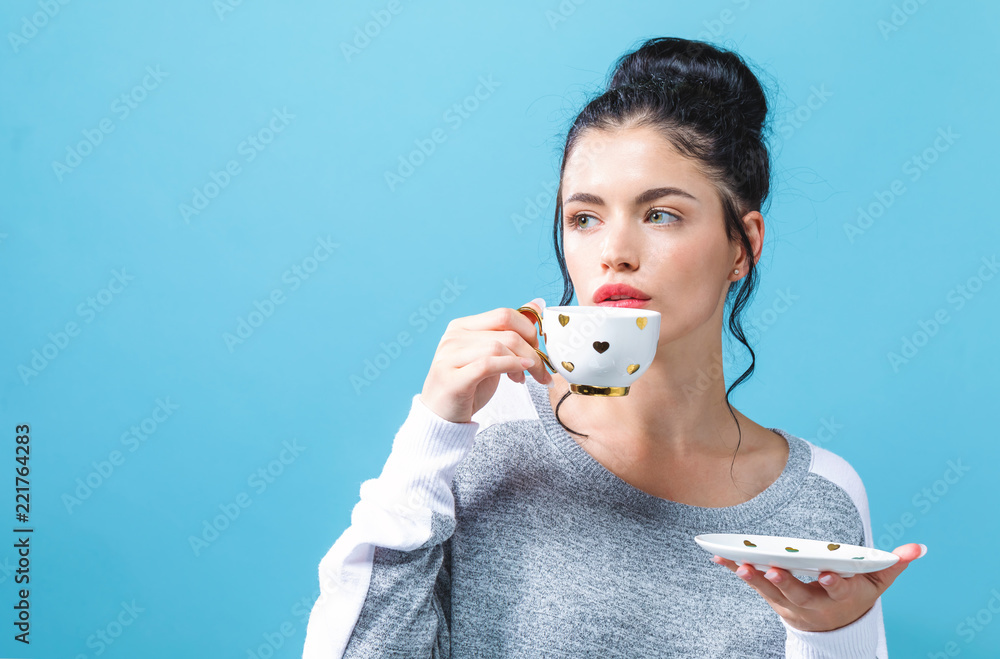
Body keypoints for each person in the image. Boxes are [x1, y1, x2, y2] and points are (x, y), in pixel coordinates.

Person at [302, 36, 925, 658]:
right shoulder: (483, 438)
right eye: (585, 218)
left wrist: (834, 634)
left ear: (743, 245)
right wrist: (430, 431)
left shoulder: (822, 497)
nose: (614, 251)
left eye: (661, 215)